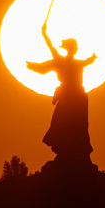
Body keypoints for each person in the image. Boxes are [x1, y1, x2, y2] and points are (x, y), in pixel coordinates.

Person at [27, 23, 97, 168]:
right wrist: (44, 34)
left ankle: (75, 152)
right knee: (64, 123)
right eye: (75, 47)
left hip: (76, 97)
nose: (76, 49)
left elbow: (87, 61)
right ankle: (68, 152)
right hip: (72, 97)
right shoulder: (62, 61)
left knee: (75, 125)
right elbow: (49, 51)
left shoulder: (73, 62)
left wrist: (44, 34)